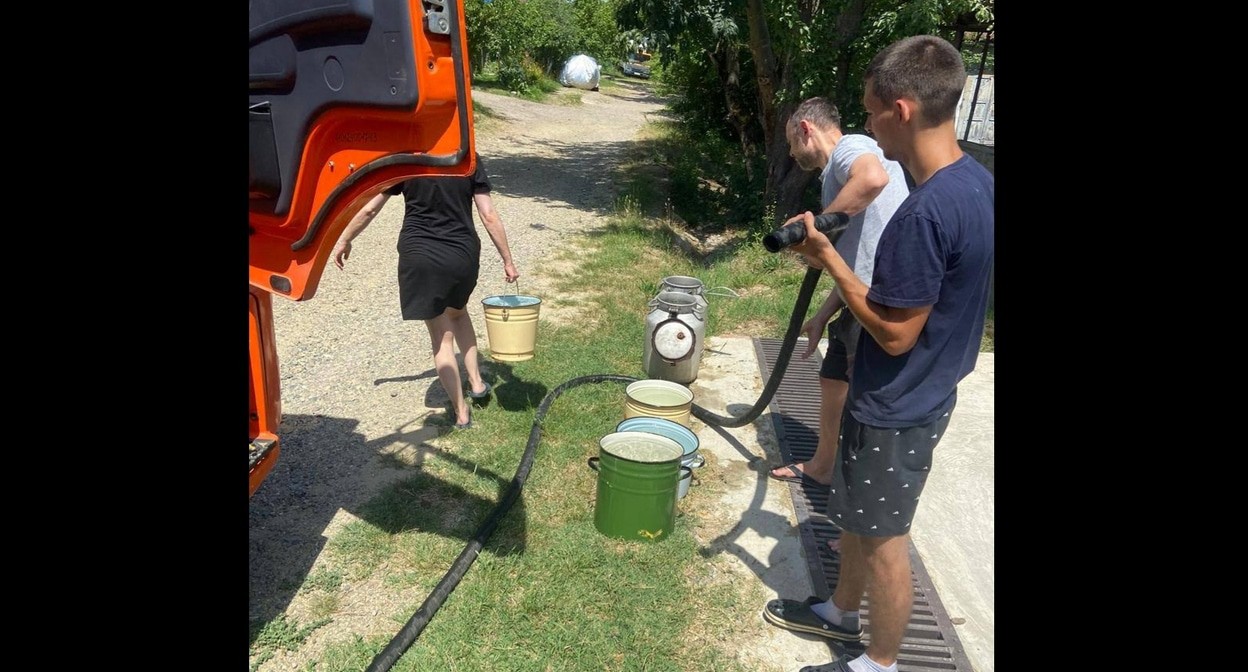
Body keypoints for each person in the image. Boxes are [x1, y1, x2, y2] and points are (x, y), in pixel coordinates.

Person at [761, 35, 994, 672]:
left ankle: (879, 663)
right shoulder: (977, 183)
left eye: (868, 113)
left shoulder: (924, 214)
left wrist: (828, 257)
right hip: (926, 389)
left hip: (899, 400)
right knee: (860, 518)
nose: (866, 126)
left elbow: (893, 333)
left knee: (887, 543)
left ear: (902, 111)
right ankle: (840, 611)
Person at [768, 97, 909, 490]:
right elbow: (857, 256)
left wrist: (820, 229)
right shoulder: (840, 171)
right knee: (834, 383)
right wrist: (824, 314)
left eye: (791, 143)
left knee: (867, 406)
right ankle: (823, 466)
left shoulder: (852, 149)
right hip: (859, 299)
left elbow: (873, 179)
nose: (793, 154)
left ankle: (861, 523)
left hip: (881, 304)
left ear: (805, 129)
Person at [331, 153, 519, 430]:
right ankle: (477, 384)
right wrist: (507, 260)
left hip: (421, 256)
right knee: (459, 313)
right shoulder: (467, 159)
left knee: (442, 337)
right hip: (461, 254)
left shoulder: (406, 160)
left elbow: (370, 208)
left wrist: (345, 239)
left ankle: (461, 412)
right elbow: (488, 214)